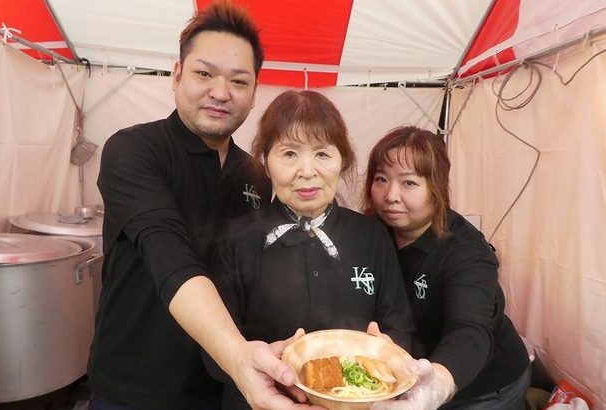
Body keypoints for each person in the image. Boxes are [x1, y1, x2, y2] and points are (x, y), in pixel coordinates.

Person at [88, 2, 313, 409]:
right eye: (204, 73)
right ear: (176, 75)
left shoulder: (256, 176)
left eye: (239, 81)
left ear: (254, 91)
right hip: (134, 388)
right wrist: (239, 358)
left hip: (221, 386)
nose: (221, 92)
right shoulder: (134, 150)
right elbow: (168, 252)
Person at [209, 90, 415, 409]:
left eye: (322, 154)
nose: (307, 171)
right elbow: (213, 350)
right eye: (289, 154)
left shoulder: (371, 235)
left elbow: (398, 327)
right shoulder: (237, 238)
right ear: (265, 161)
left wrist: (388, 352)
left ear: (342, 159)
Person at [363, 126, 531, 409]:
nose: (390, 195)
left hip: (482, 388)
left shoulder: (465, 252)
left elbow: (470, 329)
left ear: (437, 188)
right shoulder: (373, 231)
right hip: (409, 375)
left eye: (409, 183)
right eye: (381, 179)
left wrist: (437, 385)